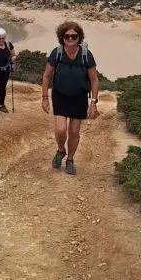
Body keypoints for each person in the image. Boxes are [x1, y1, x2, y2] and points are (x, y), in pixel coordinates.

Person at [41, 20, 99, 175]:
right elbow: (46, 76)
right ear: (62, 37)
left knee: (74, 132)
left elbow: (94, 80)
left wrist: (93, 102)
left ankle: (70, 159)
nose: (70, 38)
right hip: (60, 96)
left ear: (79, 37)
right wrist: (45, 97)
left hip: (79, 98)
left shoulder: (86, 55)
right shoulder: (57, 53)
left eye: (74, 36)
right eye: (67, 36)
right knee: (61, 129)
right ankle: (61, 150)